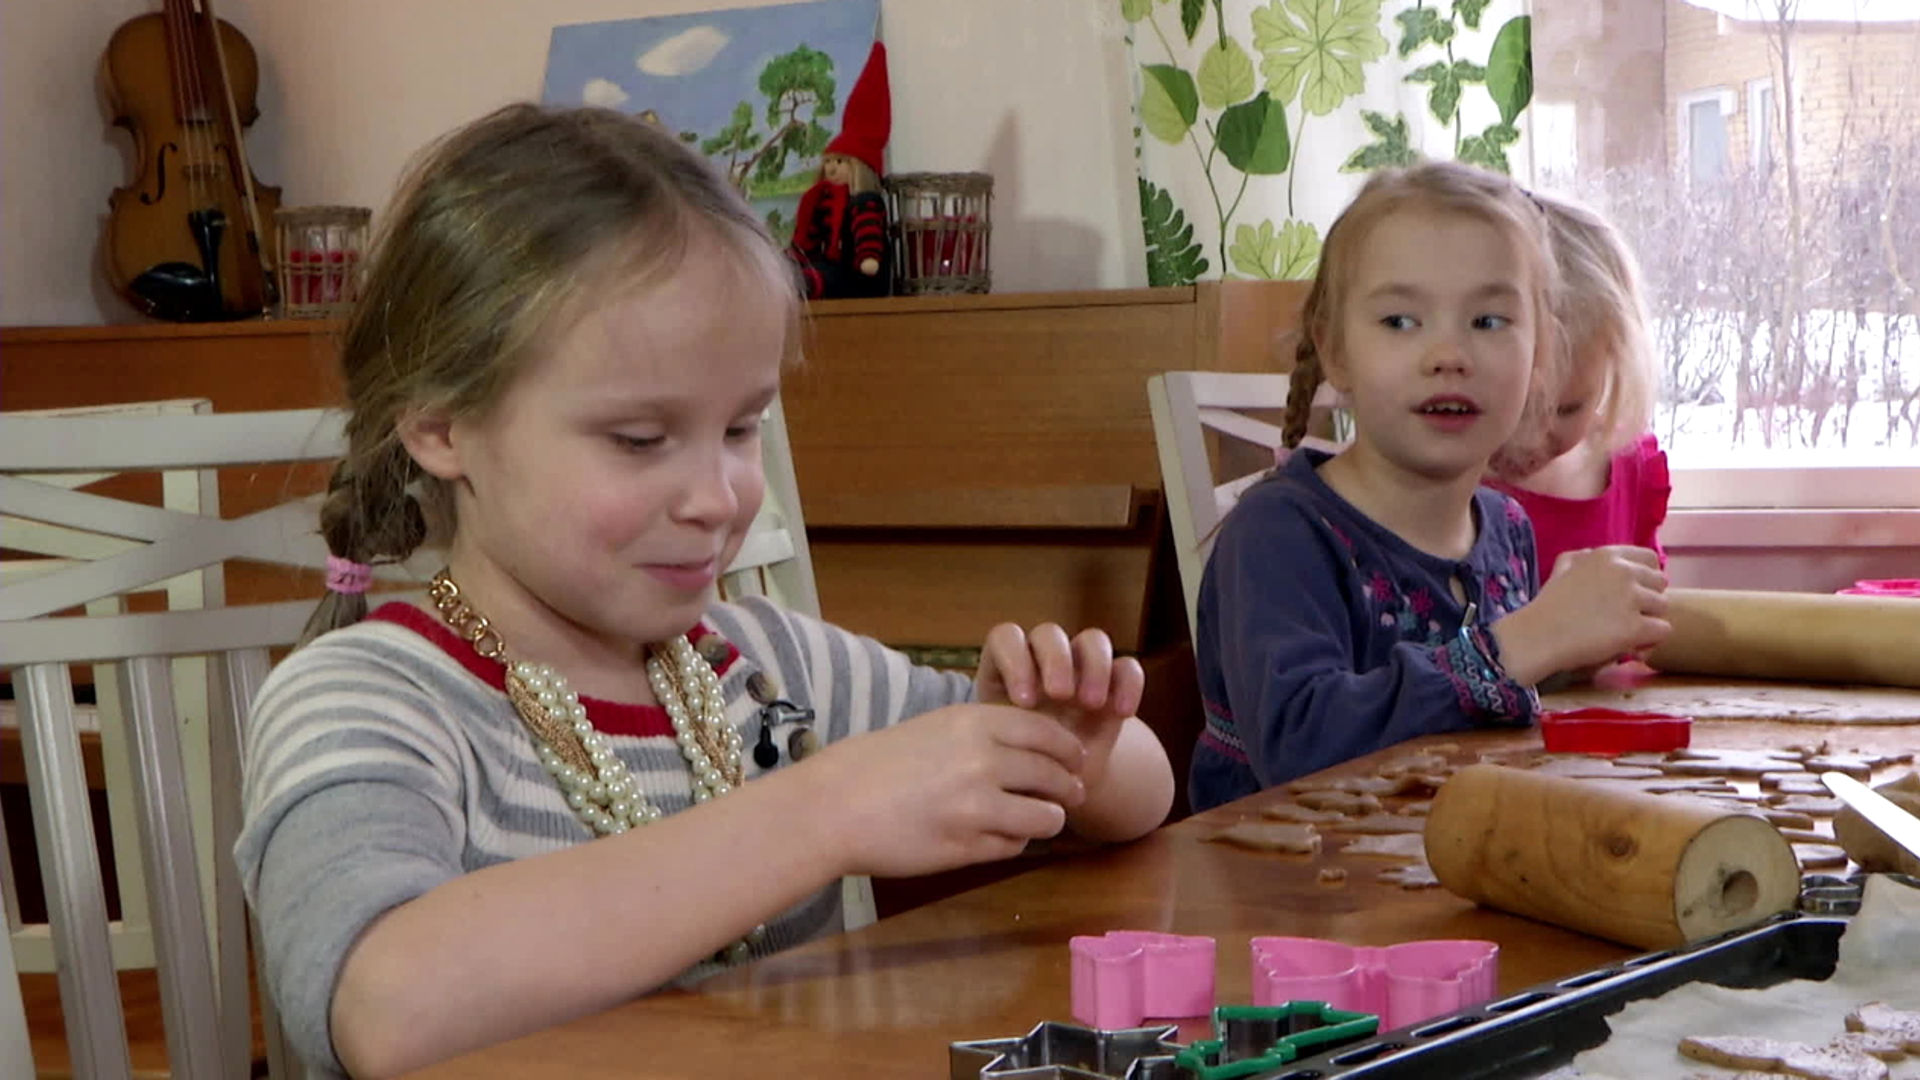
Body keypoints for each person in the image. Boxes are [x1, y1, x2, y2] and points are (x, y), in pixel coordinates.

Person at [236, 103, 1173, 1078]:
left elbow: (1146, 792)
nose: (718, 497)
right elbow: (390, 1011)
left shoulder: (771, 668)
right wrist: (822, 811)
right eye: (640, 440)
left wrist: (1073, 748)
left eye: (740, 429)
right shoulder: (361, 700)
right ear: (441, 428)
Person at [1188, 161, 1671, 812]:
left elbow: (1486, 708)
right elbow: (1297, 748)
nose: (1449, 355)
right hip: (1283, 871)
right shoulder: (1278, 533)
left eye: (1488, 322)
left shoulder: (1507, 528)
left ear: (1539, 359)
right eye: (1400, 321)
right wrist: (1525, 642)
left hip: (1456, 855)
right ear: (1334, 351)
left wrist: (1568, 646)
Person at [1485, 191, 1670, 576]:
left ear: (1611, 364)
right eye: (1517, 409)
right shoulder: (1439, 483)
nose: (1533, 437)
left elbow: (1649, 598)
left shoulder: (1630, 467)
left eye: (1567, 409)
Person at [788, 42, 891, 298]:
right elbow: (811, 237)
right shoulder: (820, 198)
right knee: (814, 272)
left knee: (823, 277)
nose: (832, 168)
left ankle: (803, 284)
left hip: (861, 276)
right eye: (829, 161)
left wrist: (869, 258)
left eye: (841, 161)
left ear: (859, 167)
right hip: (834, 267)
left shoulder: (864, 201)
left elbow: (868, 231)